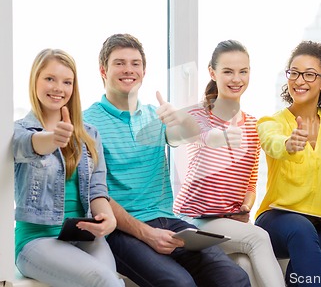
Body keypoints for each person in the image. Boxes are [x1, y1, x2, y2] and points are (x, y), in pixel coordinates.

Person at [84, 33, 250, 287]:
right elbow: (96, 193)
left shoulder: (156, 116)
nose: (129, 69)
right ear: (103, 70)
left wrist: (179, 117)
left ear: (144, 70)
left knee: (234, 277)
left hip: (169, 221)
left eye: (135, 63)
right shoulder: (87, 123)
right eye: (120, 63)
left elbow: (187, 135)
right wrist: (146, 233)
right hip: (122, 229)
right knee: (179, 284)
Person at [173, 40, 286, 287]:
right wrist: (217, 136)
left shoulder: (253, 126)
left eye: (243, 71)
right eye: (228, 71)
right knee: (258, 238)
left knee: (244, 265)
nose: (237, 79)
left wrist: (245, 206)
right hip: (194, 221)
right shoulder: (197, 116)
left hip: (228, 223)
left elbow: (250, 183)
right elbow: (200, 134)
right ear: (212, 73)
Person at [13, 49, 122, 287]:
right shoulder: (18, 131)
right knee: (106, 282)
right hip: (36, 241)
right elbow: (29, 146)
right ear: (35, 81)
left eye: (67, 82)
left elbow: (97, 189)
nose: (58, 88)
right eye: (50, 79)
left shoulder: (90, 134)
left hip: (82, 235)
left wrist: (109, 219)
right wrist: (53, 138)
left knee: (112, 281)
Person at [254, 40, 321, 287]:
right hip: (277, 220)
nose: (300, 80)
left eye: (310, 74)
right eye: (294, 72)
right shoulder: (272, 121)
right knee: (300, 229)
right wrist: (288, 144)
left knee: (308, 269)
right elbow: (271, 142)